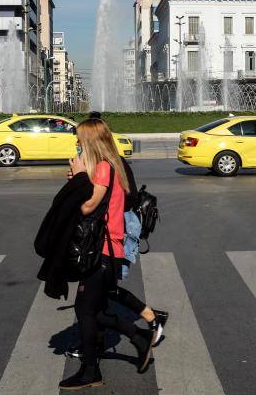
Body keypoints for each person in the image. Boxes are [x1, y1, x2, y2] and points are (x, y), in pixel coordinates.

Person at [60, 119, 156, 390]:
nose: (77, 143)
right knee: (95, 310)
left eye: (80, 139)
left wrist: (79, 178)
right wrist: (80, 179)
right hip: (108, 250)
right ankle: (138, 337)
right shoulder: (107, 167)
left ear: (90, 141)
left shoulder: (102, 167)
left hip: (101, 251)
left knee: (85, 310)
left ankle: (91, 371)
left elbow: (88, 207)